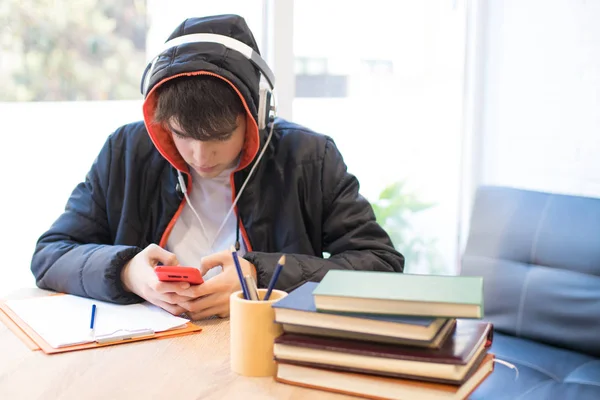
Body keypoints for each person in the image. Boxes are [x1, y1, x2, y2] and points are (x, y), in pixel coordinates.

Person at [31, 14, 404, 320]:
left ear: (255, 115)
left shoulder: (309, 158)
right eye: (182, 134)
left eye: (219, 136)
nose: (200, 156)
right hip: (146, 362)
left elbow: (381, 267)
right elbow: (51, 254)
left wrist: (259, 277)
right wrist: (127, 272)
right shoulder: (126, 152)